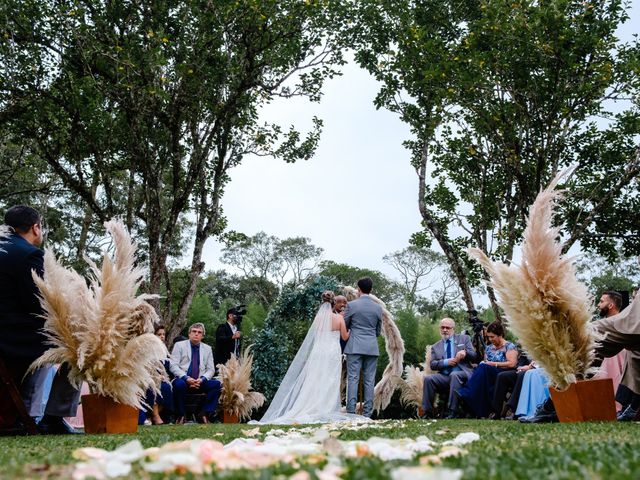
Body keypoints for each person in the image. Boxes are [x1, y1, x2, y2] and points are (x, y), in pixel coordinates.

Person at [0, 205, 80, 434]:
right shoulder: (29, 254)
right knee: (79, 346)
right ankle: (49, 416)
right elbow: (39, 305)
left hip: (8, 334)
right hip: (12, 339)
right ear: (35, 228)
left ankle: (26, 412)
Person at [255, 291, 365, 424]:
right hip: (332, 353)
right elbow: (345, 337)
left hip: (318, 351)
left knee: (316, 378)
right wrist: (351, 329)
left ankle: (313, 406)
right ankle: (327, 408)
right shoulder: (339, 318)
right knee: (331, 379)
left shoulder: (318, 319)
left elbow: (316, 336)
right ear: (333, 303)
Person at [457, 321, 518, 418]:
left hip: (503, 372)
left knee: (484, 368)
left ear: (500, 335)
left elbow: (512, 364)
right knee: (480, 367)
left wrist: (493, 364)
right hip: (488, 373)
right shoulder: (488, 348)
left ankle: (467, 394)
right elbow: (485, 362)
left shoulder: (509, 346)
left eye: (492, 337)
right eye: (488, 337)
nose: (490, 339)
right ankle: (474, 403)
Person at [421, 317, 477, 419]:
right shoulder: (435, 346)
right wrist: (446, 362)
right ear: (440, 329)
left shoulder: (464, 339)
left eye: (448, 327)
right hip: (445, 376)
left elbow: (474, 355)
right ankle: (427, 412)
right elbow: (433, 365)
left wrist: (465, 352)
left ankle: (452, 411)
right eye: (442, 327)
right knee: (428, 379)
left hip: (462, 373)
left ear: (453, 329)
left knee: (454, 375)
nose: (445, 330)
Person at [344, 277, 383, 418]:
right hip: (371, 347)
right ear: (371, 290)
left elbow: (345, 325)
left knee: (353, 379)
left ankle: (350, 412)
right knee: (369, 380)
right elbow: (378, 331)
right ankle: (367, 414)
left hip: (354, 346)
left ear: (358, 289)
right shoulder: (378, 308)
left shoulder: (352, 305)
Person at [170, 323, 220, 424]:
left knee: (216, 385)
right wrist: (186, 378)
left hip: (199, 381)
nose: (196, 334)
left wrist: (202, 379)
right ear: (189, 334)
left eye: (199, 332)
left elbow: (211, 369)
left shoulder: (207, 348)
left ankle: (204, 413)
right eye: (194, 331)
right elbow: (173, 365)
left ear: (202, 336)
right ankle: (181, 415)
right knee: (179, 385)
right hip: (183, 379)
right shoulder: (179, 345)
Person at [139, 325, 174, 425]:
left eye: (164, 334)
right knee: (153, 388)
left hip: (163, 379)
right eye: (159, 334)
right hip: (148, 380)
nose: (162, 336)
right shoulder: (147, 351)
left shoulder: (164, 351)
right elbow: (143, 369)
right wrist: (154, 377)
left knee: (167, 387)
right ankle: (154, 415)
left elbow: (169, 368)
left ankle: (160, 415)